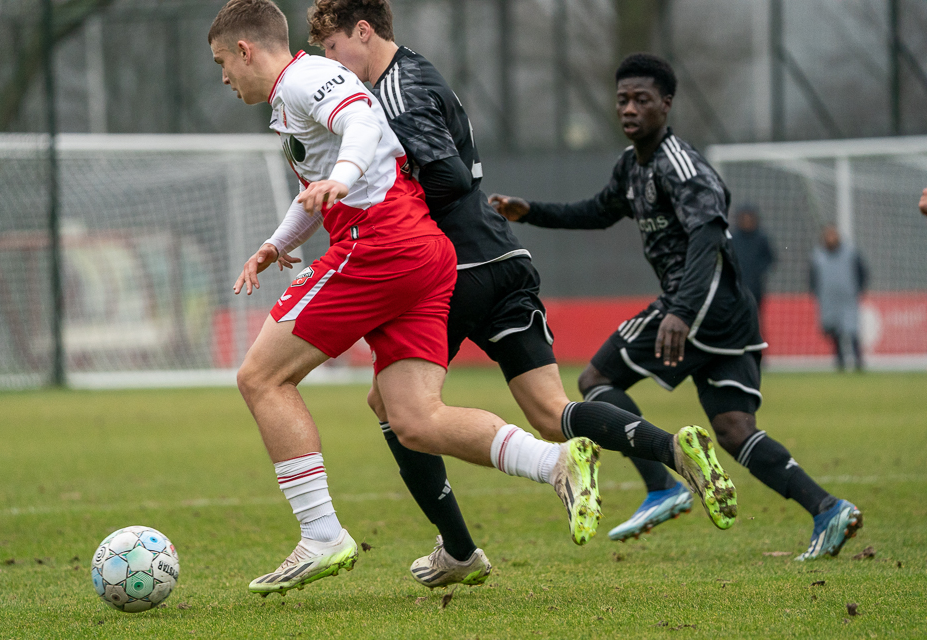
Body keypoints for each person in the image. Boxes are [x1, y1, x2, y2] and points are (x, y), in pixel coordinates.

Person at [306, 0, 739, 572]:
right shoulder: (421, 69)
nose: (332, 66)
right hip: (503, 254)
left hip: (452, 264)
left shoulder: (392, 92)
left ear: (363, 32)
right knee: (550, 409)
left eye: (333, 49)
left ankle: (458, 549)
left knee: (393, 405)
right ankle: (672, 450)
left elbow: (449, 176)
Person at [208, 0, 605, 596]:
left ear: (246, 50)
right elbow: (324, 181)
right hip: (421, 251)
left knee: (259, 378)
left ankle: (321, 534)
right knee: (415, 420)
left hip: (380, 247)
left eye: (221, 63)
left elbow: (361, 128)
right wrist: (274, 244)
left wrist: (341, 177)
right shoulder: (297, 93)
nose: (223, 78)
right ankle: (557, 463)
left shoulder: (305, 78)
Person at [490, 53, 863, 561]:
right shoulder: (631, 165)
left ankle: (663, 485)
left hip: (702, 302)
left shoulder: (678, 163)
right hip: (725, 313)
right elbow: (598, 212)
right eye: (623, 99)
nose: (629, 108)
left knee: (596, 379)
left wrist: (681, 311)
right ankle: (827, 509)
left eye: (642, 100)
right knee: (734, 429)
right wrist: (531, 212)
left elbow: (709, 232)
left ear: (666, 105)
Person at [810, 225, 867, 372]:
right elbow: (812, 278)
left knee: (852, 330)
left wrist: (859, 289)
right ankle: (839, 361)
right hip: (828, 299)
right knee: (834, 330)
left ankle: (858, 361)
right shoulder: (818, 257)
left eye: (833, 235)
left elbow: (861, 272)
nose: (831, 238)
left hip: (847, 298)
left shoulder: (850, 253)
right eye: (828, 235)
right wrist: (816, 293)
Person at [731, 205, 773, 319]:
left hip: (755, 287)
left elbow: (770, 258)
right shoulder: (732, 239)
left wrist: (758, 270)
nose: (747, 221)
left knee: (755, 315)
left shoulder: (761, 238)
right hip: (735, 287)